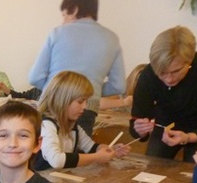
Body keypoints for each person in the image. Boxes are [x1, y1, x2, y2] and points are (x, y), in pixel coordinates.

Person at [28, 0, 125, 135]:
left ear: (74, 9)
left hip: (53, 104)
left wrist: (59, 90)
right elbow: (118, 86)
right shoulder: (112, 39)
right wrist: (89, 92)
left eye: (64, 15)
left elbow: (35, 77)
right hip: (86, 108)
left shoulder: (57, 33)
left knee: (47, 145)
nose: (63, 21)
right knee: (80, 147)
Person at [129, 26, 197, 162]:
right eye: (162, 73)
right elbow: (137, 119)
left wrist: (189, 137)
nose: (169, 79)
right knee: (153, 167)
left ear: (189, 61)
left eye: (176, 71)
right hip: (166, 126)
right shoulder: (149, 75)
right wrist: (140, 130)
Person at [34, 70, 129, 173]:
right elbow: (57, 160)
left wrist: (109, 150)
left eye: (86, 101)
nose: (85, 107)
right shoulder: (46, 125)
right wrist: (96, 157)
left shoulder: (73, 125)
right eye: (80, 102)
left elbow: (90, 146)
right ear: (62, 100)